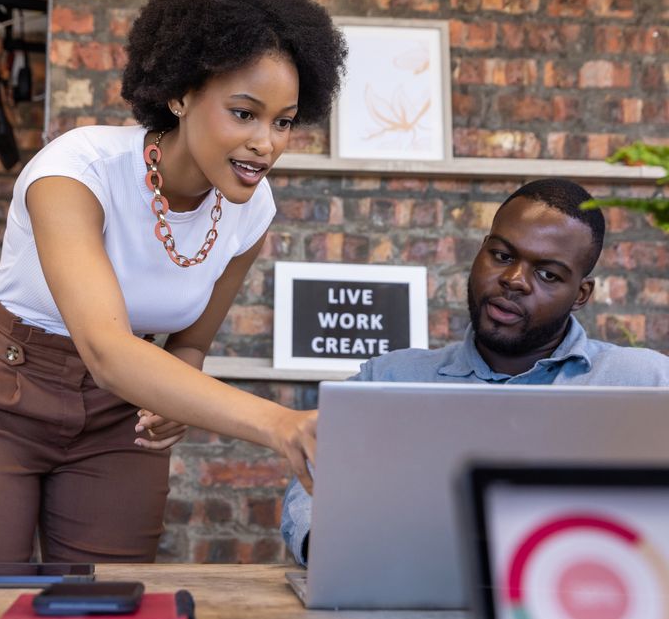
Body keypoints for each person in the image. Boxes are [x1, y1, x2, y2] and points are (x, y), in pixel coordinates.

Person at [0, 0, 346, 564]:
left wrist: (165, 402)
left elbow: (188, 344)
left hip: (120, 420)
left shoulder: (252, 210)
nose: (267, 142)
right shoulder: (77, 171)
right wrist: (279, 423)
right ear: (180, 93)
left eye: (283, 121)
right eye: (244, 113)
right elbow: (107, 349)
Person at [282, 178, 669, 564]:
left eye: (548, 274)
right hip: (408, 611)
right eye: (502, 255)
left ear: (581, 294)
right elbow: (310, 485)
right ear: (481, 250)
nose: (514, 281)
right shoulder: (390, 379)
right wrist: (336, 553)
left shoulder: (648, 383)